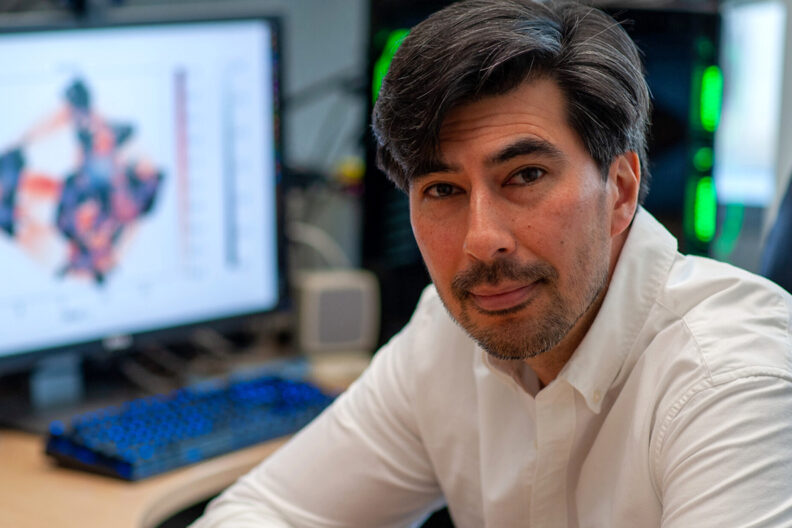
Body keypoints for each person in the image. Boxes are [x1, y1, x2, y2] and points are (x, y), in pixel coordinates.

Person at [193, 1, 792, 526]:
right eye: (442, 190)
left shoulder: (732, 382)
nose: (483, 241)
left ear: (621, 188)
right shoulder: (445, 338)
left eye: (525, 176)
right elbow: (264, 512)